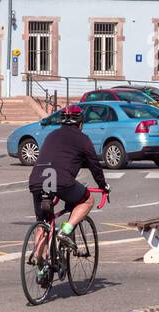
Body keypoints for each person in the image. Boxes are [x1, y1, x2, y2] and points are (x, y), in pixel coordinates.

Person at [28, 105, 109, 272]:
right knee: (87, 200)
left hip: (37, 179)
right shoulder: (82, 138)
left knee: (42, 222)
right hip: (61, 180)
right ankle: (66, 230)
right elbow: (94, 165)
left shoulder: (51, 135)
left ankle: (40, 265)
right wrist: (103, 185)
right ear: (80, 124)